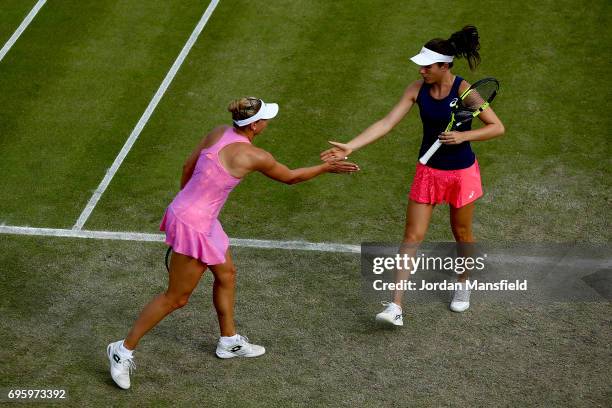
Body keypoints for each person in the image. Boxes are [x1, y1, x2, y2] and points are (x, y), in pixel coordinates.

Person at [107, 97, 359, 389]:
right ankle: (121, 350)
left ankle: (228, 341)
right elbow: (290, 178)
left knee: (226, 275)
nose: (268, 122)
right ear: (254, 125)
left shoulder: (217, 132)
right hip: (194, 224)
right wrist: (326, 169)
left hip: (196, 215)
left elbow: (188, 165)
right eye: (266, 119)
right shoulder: (255, 156)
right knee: (176, 297)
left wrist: (190, 202)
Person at [321, 26, 504, 325]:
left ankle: (463, 282)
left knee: (462, 234)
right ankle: (395, 306)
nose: (421, 71)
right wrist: (350, 146)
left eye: (427, 66)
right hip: (428, 172)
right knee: (411, 237)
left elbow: (496, 126)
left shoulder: (465, 91)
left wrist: (462, 138)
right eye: (421, 65)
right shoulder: (415, 89)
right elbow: (387, 122)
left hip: (461, 174)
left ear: (444, 66)